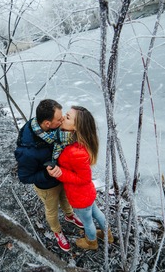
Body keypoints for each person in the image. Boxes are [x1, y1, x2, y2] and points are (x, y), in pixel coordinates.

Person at [14, 99, 83, 252]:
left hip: (61, 177)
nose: (63, 120)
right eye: (59, 120)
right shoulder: (27, 151)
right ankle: (57, 231)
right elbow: (24, 177)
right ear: (47, 123)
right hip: (46, 185)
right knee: (51, 209)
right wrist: (47, 175)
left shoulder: (51, 132)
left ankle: (69, 215)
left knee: (64, 198)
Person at [47, 105, 114, 250]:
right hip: (87, 194)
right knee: (96, 213)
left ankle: (91, 242)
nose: (63, 117)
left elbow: (84, 178)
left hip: (80, 197)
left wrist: (61, 173)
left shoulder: (75, 151)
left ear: (77, 127)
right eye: (66, 114)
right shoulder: (76, 144)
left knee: (87, 221)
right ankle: (107, 234)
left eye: (68, 117)